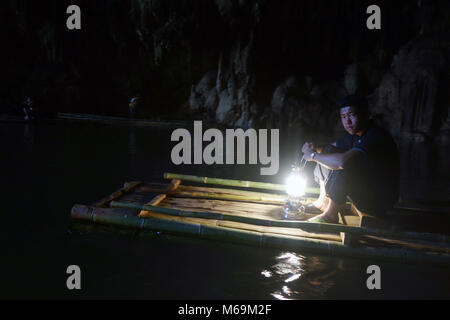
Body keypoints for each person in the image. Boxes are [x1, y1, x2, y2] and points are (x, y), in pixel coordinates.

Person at [302, 95, 400, 223]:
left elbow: (342, 162)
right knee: (328, 152)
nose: (347, 122)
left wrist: (313, 156)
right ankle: (323, 201)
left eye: (352, 115)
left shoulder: (375, 135)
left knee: (347, 164)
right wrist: (313, 148)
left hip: (378, 200)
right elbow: (329, 148)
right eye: (343, 117)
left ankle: (331, 214)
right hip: (365, 191)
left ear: (366, 115)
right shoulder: (354, 135)